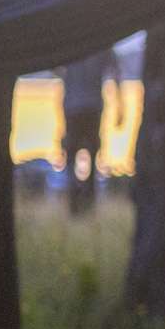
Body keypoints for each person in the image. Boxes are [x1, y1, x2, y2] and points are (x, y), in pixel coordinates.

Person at [57, 47, 120, 215]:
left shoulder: (73, 40)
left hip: (74, 108)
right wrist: (120, 106)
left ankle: (77, 205)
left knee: (73, 157)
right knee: (88, 157)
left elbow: (55, 67)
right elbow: (115, 71)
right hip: (90, 107)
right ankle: (85, 204)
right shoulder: (100, 41)